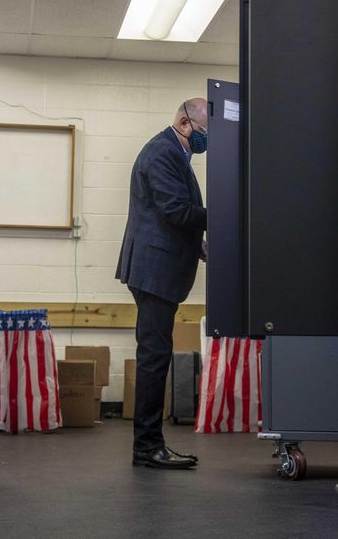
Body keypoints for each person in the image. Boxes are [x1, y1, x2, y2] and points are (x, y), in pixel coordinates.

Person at [116, 98, 209, 469]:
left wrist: (196, 245)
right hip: (154, 271)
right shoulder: (163, 152)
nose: (206, 143)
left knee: (154, 356)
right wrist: (229, 210)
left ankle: (149, 444)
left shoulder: (172, 151)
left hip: (157, 268)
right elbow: (176, 210)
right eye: (204, 134)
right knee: (154, 358)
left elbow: (165, 214)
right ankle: (147, 447)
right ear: (185, 122)